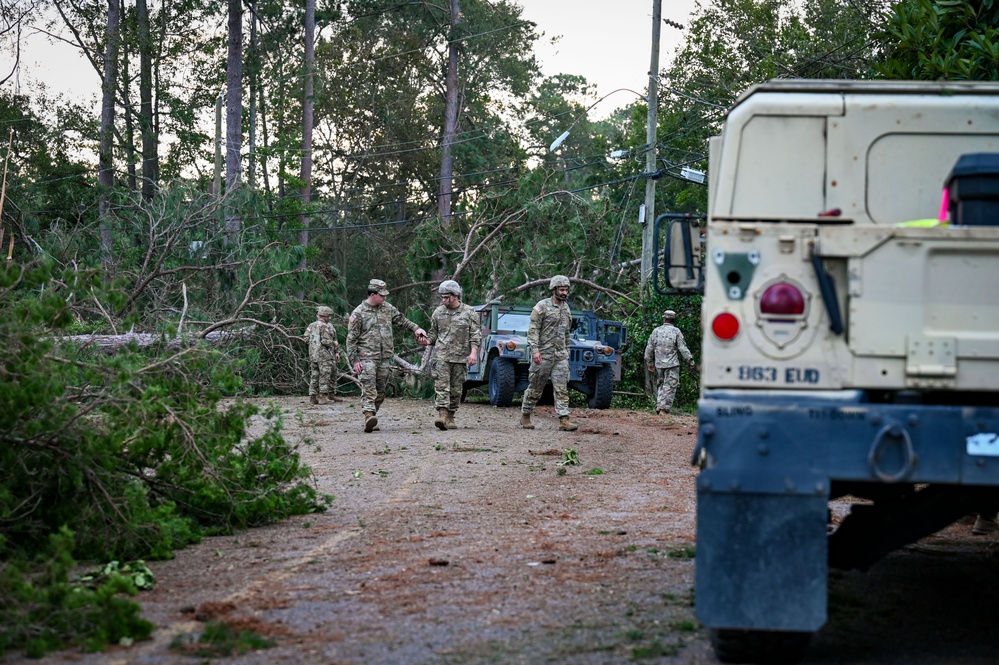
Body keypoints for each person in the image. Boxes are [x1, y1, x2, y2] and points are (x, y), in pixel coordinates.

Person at [346, 279, 428, 433]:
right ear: (372, 294)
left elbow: (402, 320)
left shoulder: (387, 308)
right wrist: (355, 361)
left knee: (381, 391)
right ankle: (369, 416)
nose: (384, 298)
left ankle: (373, 415)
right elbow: (351, 340)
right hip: (366, 357)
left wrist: (416, 329)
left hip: (384, 357)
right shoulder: (358, 313)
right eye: (381, 295)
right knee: (369, 388)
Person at [519, 275, 577, 432]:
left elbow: (566, 333)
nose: (565, 293)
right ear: (554, 289)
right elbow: (533, 330)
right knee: (536, 387)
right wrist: (535, 350)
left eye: (566, 290)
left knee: (561, 388)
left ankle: (564, 419)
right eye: (562, 290)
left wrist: (567, 352)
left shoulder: (566, 308)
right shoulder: (542, 306)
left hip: (560, 356)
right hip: (543, 354)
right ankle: (526, 415)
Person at [426, 279, 481, 431]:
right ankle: (442, 416)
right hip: (442, 356)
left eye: (446, 297)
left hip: (461, 357)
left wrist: (473, 353)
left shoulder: (469, 313)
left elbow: (476, 336)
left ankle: (450, 416)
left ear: (455, 295)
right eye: (441, 297)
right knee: (442, 386)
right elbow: (433, 334)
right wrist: (425, 340)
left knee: (456, 390)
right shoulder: (438, 312)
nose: (443, 300)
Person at [644, 310, 695, 415]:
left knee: (661, 385)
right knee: (670, 386)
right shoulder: (676, 331)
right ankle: (664, 409)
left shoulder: (656, 331)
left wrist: (649, 362)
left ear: (664, 318)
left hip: (659, 364)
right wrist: (690, 360)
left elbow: (649, 348)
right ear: (673, 319)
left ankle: (659, 406)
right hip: (672, 364)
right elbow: (682, 348)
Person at [305, 305, 342, 404]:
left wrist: (314, 346)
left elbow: (306, 338)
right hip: (324, 355)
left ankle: (313, 397)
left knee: (315, 375)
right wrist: (335, 345)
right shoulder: (324, 326)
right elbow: (326, 341)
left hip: (313, 355)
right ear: (325, 316)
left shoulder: (311, 325)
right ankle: (323, 396)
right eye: (329, 316)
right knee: (325, 376)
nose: (330, 318)